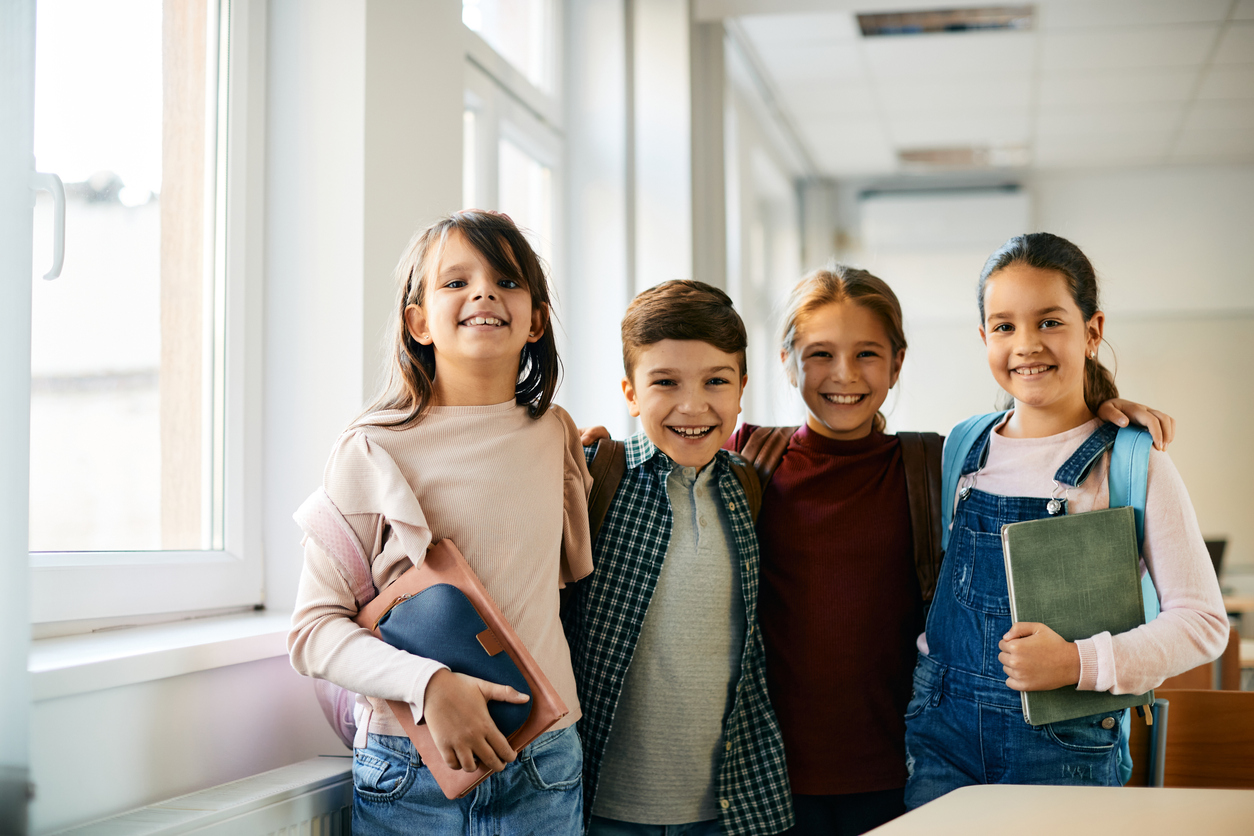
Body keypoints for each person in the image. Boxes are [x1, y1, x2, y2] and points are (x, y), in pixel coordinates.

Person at [726, 265, 1174, 836]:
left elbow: (1030, 443)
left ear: (897, 363)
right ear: (786, 360)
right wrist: (585, 449)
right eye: (819, 354)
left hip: (909, 767)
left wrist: (1106, 414)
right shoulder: (748, 462)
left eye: (867, 353)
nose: (844, 374)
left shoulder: (938, 463)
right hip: (768, 776)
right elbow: (666, 454)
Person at [288, 210, 593, 834]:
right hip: (411, 765)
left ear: (535, 319)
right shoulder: (371, 448)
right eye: (455, 282)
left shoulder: (556, 433)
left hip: (545, 761)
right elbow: (313, 631)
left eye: (508, 281)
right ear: (417, 320)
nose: (484, 292)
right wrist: (429, 685)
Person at [903, 232, 1228, 808]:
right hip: (942, 738)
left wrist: (1076, 662)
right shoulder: (962, 445)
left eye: (1050, 322)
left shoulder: (1131, 458)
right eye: (1004, 326)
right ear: (984, 338)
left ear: (1093, 331)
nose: (1026, 344)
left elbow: (1203, 623)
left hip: (1065, 750)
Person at [564, 280, 794, 836]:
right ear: (631, 393)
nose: (693, 405)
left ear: (742, 389)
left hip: (725, 807)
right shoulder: (596, 476)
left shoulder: (747, 485)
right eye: (665, 382)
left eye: (716, 381)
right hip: (601, 804)